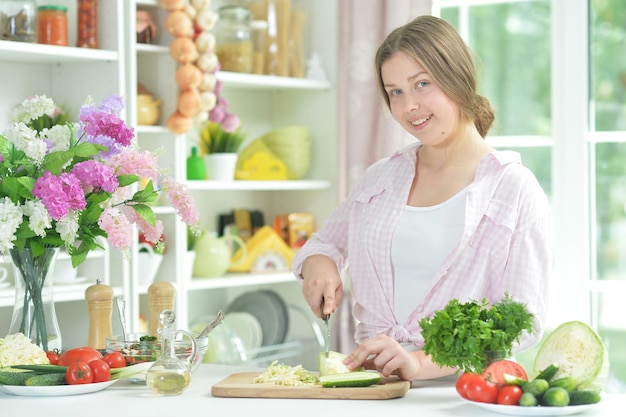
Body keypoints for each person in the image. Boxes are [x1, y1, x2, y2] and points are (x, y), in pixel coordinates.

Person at [292, 15, 552, 381]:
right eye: (395, 91)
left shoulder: (514, 190)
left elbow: (523, 321)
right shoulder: (380, 178)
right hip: (372, 390)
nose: (409, 105)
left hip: (464, 395)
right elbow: (324, 244)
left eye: (422, 84)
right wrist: (319, 263)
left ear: (458, 79)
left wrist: (420, 363)